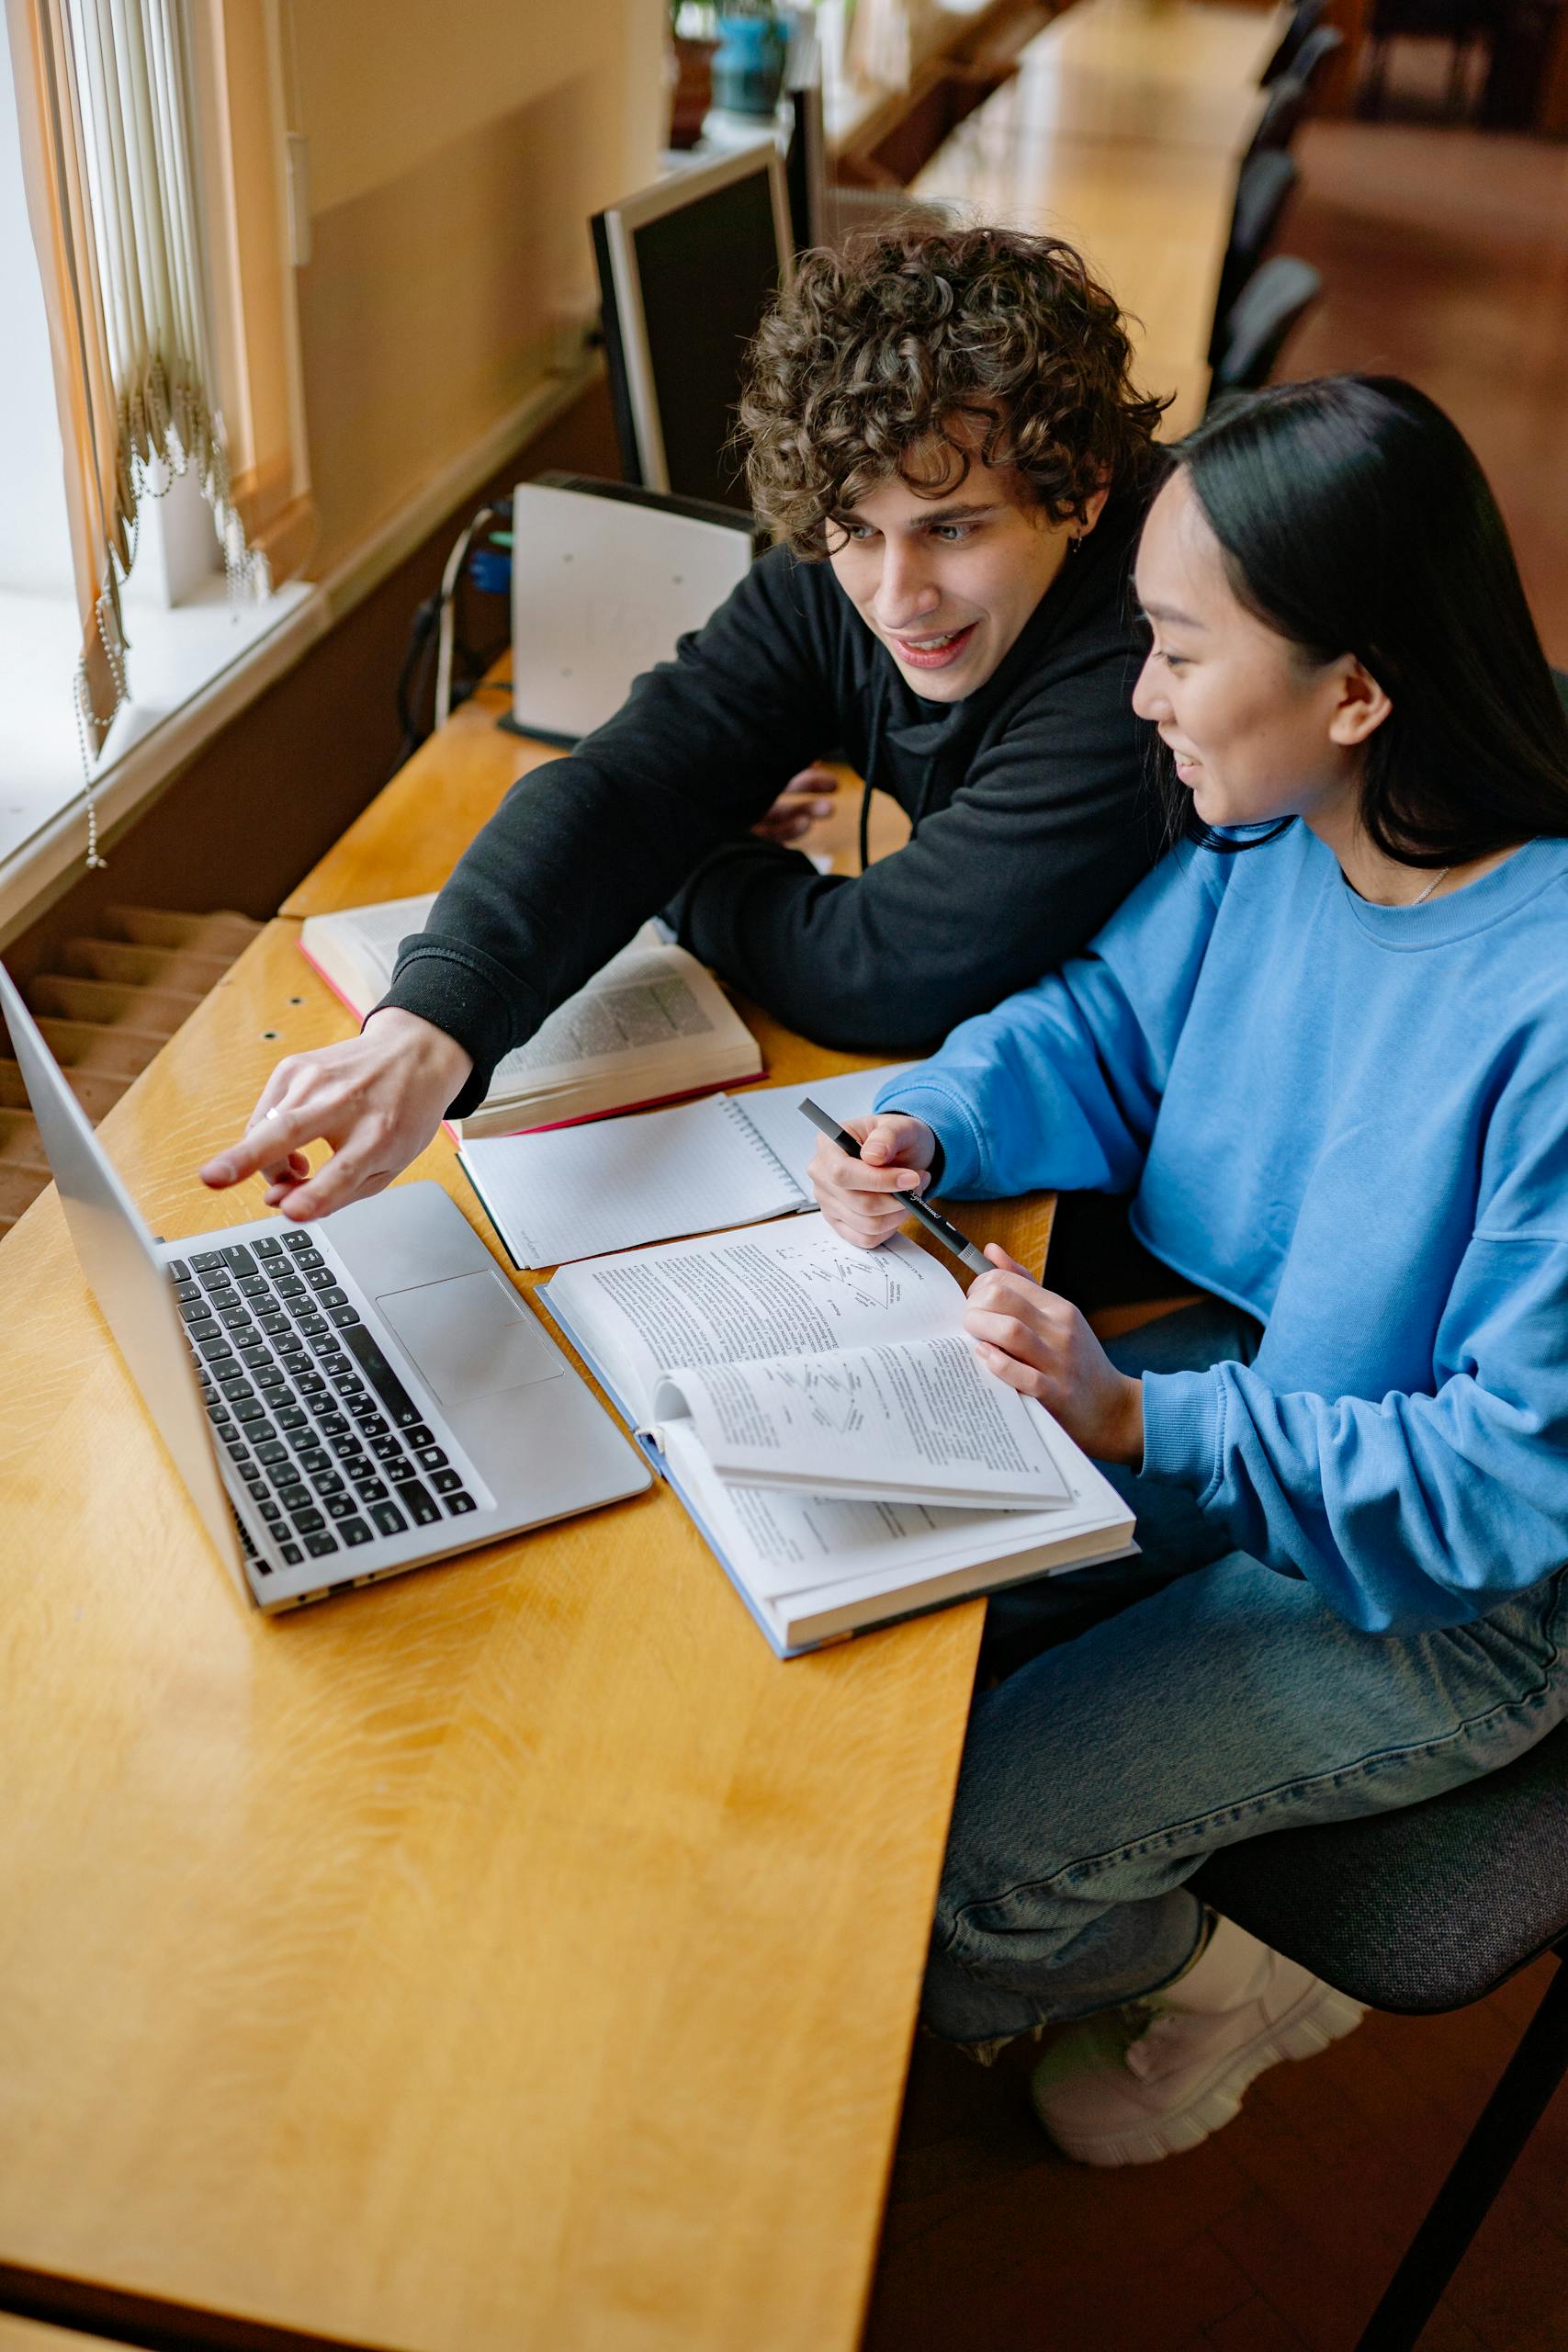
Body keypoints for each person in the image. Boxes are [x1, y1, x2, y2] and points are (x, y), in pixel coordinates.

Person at [808, 374, 1568, 2165]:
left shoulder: (1539, 1002)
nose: (1138, 693)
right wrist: (940, 1121)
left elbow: (1502, 1484)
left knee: (965, 1862)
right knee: (908, 1638)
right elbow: (1103, 1026)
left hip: (1459, 1594)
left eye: (1172, 646)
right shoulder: (1269, 838)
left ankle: (1229, 1971)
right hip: (1275, 1399)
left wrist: (1145, 1419)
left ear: (1355, 691)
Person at [200, 224, 1168, 1217]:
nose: (893, 597)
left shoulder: (1162, 646)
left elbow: (880, 968)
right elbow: (634, 779)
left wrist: (692, 860)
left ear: (1082, 490)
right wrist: (422, 1029)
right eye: (854, 533)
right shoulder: (870, 528)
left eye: (951, 531)